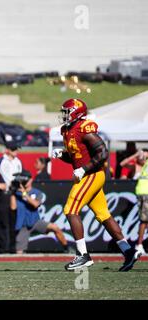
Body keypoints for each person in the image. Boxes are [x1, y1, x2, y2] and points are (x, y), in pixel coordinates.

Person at [52, 98, 141, 271]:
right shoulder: (67, 130)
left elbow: (102, 153)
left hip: (92, 174)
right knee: (103, 215)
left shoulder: (85, 128)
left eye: (67, 112)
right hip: (86, 174)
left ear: (76, 112)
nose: (64, 115)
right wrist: (62, 155)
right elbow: (75, 158)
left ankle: (83, 255)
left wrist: (84, 169)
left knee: (70, 210)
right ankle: (128, 251)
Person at [11, 170, 69, 254]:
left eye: (25, 180)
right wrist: (12, 192)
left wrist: (24, 193)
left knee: (55, 227)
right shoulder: (17, 193)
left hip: (35, 221)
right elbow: (13, 207)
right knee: (19, 252)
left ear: (30, 180)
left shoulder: (37, 192)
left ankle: (66, 248)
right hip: (23, 224)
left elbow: (35, 204)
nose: (23, 182)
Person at [0, 141, 22, 253]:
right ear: (8, 150)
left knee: (13, 221)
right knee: (3, 220)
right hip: (3, 194)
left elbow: (19, 177)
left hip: (14, 193)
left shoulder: (18, 162)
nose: (16, 151)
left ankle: (12, 246)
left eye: (17, 149)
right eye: (14, 149)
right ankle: (2, 247)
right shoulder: (0, 162)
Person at [135, 151, 148, 256]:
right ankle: (139, 245)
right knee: (144, 220)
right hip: (145, 193)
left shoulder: (145, 164)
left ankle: (139, 245)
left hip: (141, 192)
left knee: (144, 220)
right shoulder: (144, 163)